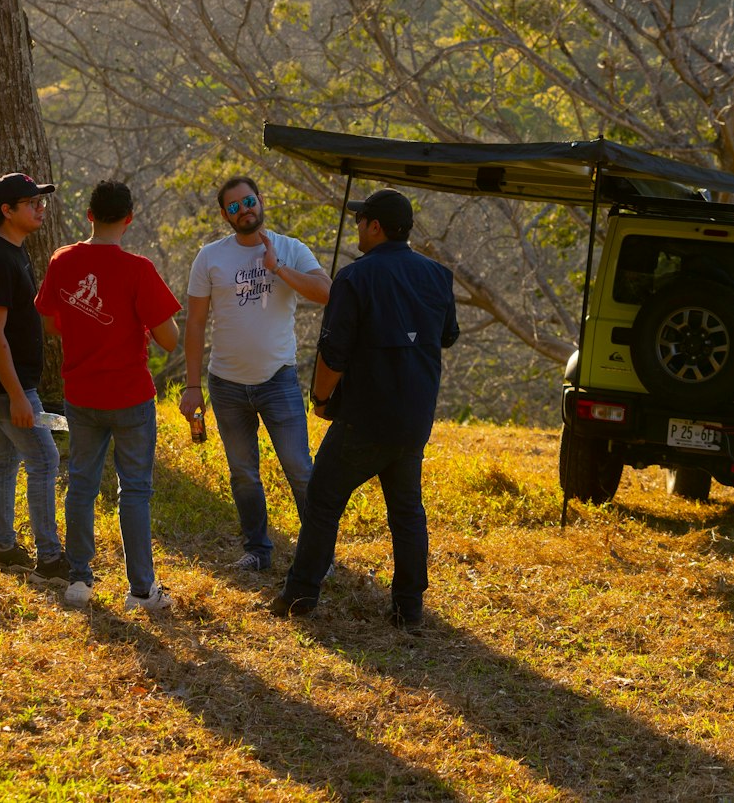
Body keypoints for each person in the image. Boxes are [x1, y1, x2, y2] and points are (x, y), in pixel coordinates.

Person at [271, 187, 459, 627]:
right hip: (414, 417)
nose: (356, 227)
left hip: (365, 417)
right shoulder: (438, 276)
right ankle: (409, 607)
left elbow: (333, 355)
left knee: (323, 498)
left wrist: (320, 400)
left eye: (360, 221)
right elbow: (446, 336)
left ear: (375, 227)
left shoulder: (355, 278)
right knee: (407, 511)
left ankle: (300, 597)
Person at [35, 180, 181, 612]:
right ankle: (141, 591)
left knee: (81, 483)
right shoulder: (138, 269)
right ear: (129, 219)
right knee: (134, 491)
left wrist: (82, 332)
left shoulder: (63, 260)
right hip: (131, 397)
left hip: (81, 393)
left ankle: (79, 579)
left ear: (89, 215)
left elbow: (48, 319)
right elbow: (169, 340)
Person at [179, 174, 331, 572]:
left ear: (260, 200)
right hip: (225, 384)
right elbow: (194, 323)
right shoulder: (210, 256)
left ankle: (319, 554)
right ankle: (257, 551)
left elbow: (326, 292)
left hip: (277, 379)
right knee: (244, 474)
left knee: (299, 468)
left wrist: (278, 268)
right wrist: (192, 387)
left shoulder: (289, 248)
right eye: (234, 207)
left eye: (248, 201)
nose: (244, 210)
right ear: (225, 215)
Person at [0, 171, 68, 580]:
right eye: (31, 203)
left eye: (41, 201)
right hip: (6, 382)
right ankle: (49, 559)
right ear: (7, 211)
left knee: (6, 457)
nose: (40, 208)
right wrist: (19, 396)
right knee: (44, 458)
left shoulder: (11, 246)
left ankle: (4, 549)